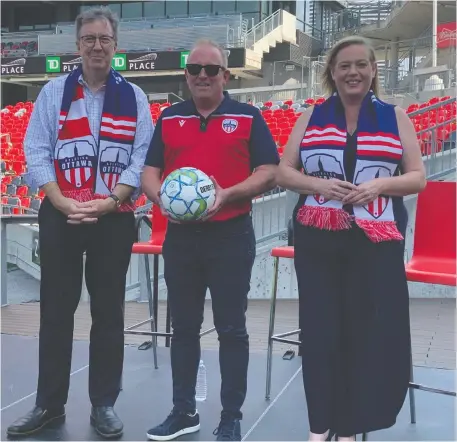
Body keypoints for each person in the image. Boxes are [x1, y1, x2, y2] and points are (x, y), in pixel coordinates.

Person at [6, 6, 153, 439]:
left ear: (115, 45)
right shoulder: (52, 93)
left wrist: (110, 201)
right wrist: (60, 199)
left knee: (108, 313)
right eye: (88, 38)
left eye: (104, 39)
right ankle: (48, 404)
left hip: (114, 216)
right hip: (61, 213)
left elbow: (142, 156)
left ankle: (103, 404)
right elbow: (35, 150)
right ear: (77, 45)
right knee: (56, 312)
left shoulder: (136, 99)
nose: (96, 46)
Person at [276, 36, 426, 441]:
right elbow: (283, 172)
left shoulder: (395, 116)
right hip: (318, 240)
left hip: (375, 243)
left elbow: (418, 177)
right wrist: (317, 186)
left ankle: (349, 426)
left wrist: (380, 186)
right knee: (321, 332)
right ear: (332, 73)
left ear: (374, 70)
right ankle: (319, 426)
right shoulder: (310, 116)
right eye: (344, 66)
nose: (353, 72)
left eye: (361, 64)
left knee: (364, 334)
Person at [141, 39, 279, 441]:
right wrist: (160, 197)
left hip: (230, 236)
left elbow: (268, 170)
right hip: (181, 237)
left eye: (211, 70)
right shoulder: (169, 118)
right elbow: (150, 172)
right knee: (183, 328)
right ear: (186, 75)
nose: (202, 75)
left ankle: (231, 417)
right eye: (195, 69)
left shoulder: (249, 116)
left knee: (231, 329)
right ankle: (184, 412)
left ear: (226, 75)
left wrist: (228, 194)